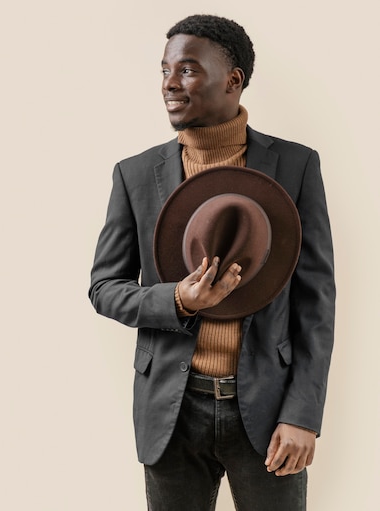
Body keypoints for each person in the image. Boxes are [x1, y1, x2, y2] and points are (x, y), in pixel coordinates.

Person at [88, 14, 335, 510]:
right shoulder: (135, 175)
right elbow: (104, 287)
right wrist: (178, 299)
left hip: (268, 413)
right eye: (164, 71)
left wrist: (303, 413)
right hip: (171, 414)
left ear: (234, 80)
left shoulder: (295, 166)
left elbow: (316, 302)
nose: (169, 85)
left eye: (187, 70)